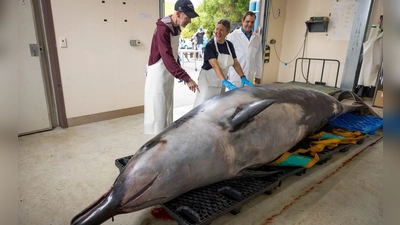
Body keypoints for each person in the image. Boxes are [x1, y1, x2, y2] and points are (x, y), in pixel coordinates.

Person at [144, 0, 200, 135]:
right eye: (188, 17)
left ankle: (165, 137)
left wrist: (179, 69)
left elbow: (174, 54)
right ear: (178, 13)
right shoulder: (163, 28)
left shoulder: (176, 27)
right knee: (159, 110)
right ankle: (158, 142)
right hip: (158, 73)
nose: (190, 21)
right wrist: (186, 78)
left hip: (167, 73)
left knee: (167, 106)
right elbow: (167, 57)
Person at [193, 19, 253, 108]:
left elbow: (235, 63)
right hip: (208, 82)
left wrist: (242, 77)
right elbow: (215, 66)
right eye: (217, 29)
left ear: (227, 32)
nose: (218, 32)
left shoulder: (229, 45)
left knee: (217, 107)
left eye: (221, 30)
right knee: (203, 107)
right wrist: (225, 82)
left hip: (220, 83)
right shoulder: (210, 45)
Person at [227, 11, 263, 87]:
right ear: (243, 21)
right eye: (247, 21)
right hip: (235, 77)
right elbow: (227, 56)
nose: (249, 24)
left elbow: (258, 58)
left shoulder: (257, 38)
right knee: (234, 98)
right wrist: (226, 74)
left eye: (252, 22)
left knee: (248, 98)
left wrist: (258, 75)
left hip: (249, 76)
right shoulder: (233, 36)